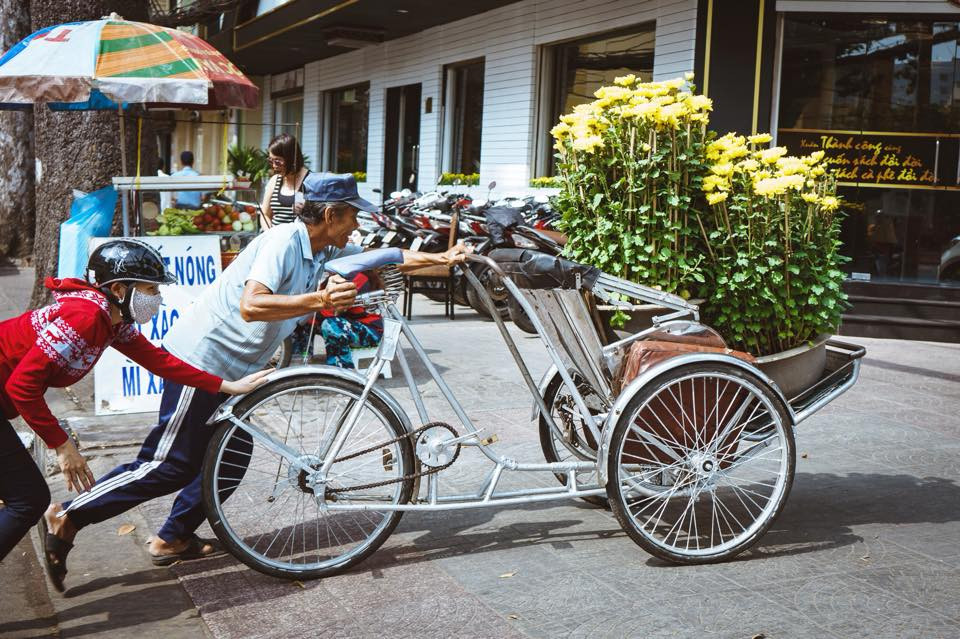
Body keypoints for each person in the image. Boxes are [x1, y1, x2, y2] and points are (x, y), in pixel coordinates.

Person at [44, 173, 470, 589]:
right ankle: (69, 514)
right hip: (202, 360)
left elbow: (388, 257)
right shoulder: (283, 242)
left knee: (231, 454)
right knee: (169, 464)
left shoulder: (324, 251)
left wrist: (445, 260)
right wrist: (319, 299)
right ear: (330, 213)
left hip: (233, 373)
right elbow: (252, 305)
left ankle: (172, 536)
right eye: (351, 216)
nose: (356, 225)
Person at [0, 240, 268, 589]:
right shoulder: (84, 317)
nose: (156, 297)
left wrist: (225, 386)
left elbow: (160, 361)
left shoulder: (111, 320)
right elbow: (22, 386)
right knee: (28, 499)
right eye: (150, 289)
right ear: (118, 289)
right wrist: (62, 445)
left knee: (26, 497)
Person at [259, 133, 310, 228]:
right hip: (274, 239)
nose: (274, 166)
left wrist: (307, 211)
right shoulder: (275, 180)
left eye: (278, 161)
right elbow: (265, 214)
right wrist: (270, 233)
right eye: (271, 161)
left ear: (291, 159)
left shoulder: (311, 181)